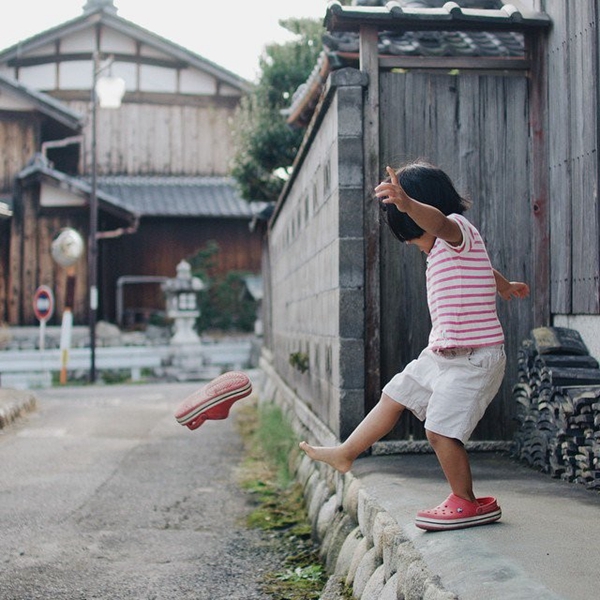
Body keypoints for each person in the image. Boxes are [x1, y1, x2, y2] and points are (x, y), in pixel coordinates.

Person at [299, 160, 530, 531]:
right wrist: (503, 285)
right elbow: (482, 267)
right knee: (395, 394)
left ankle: (466, 501)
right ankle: (347, 453)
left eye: (416, 237)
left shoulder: (453, 230)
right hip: (442, 355)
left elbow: (437, 223)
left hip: (474, 359)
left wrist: (407, 205)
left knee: (439, 431)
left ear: (425, 212)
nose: (419, 246)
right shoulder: (451, 248)